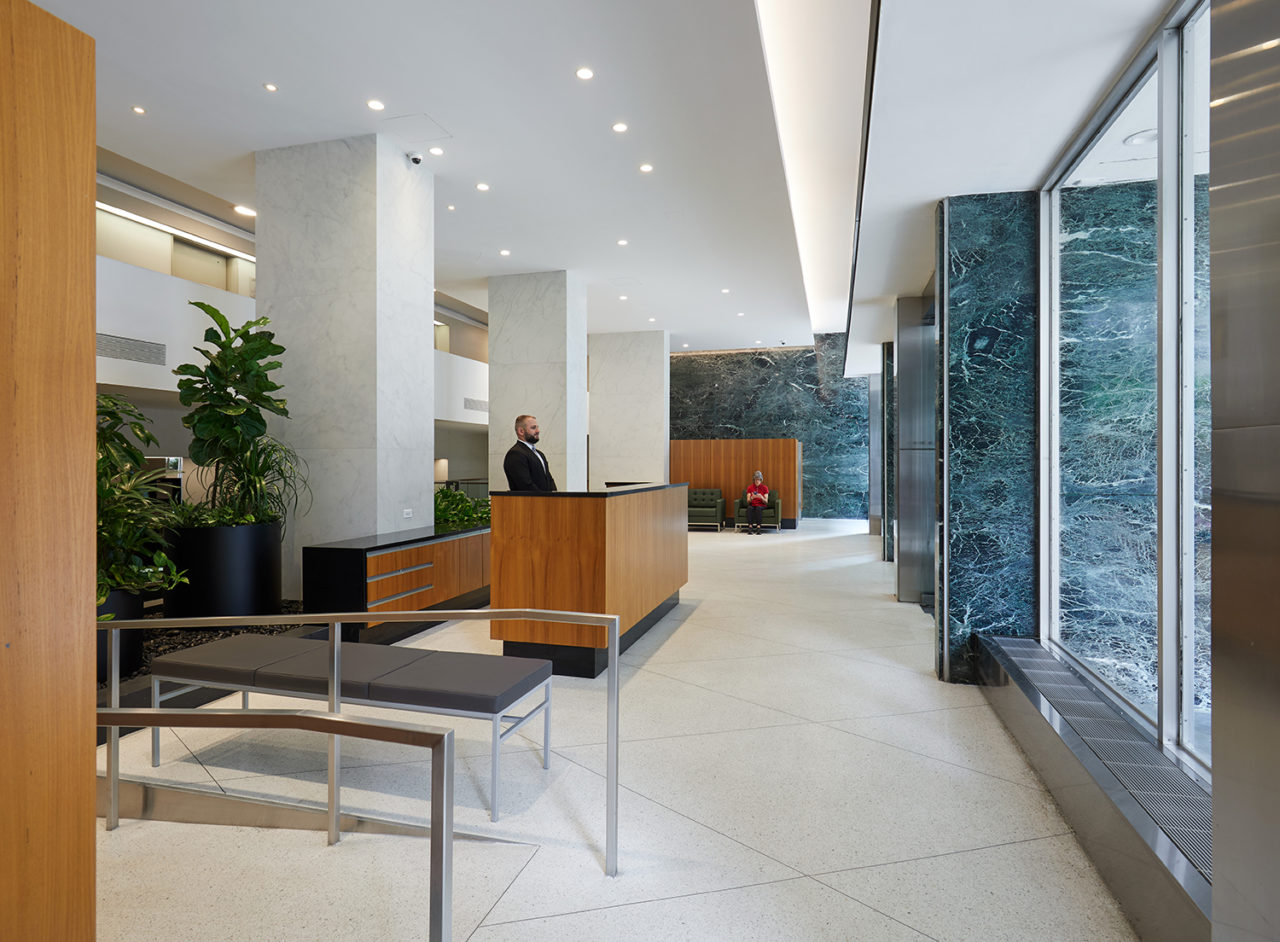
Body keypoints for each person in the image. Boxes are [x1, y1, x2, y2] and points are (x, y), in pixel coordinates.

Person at [503, 414, 557, 491]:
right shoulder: (515, 454)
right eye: (533, 428)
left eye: (537, 427)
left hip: (546, 501)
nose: (538, 431)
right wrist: (543, 500)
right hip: (529, 502)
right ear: (521, 431)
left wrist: (554, 497)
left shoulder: (540, 454)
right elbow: (525, 485)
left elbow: (549, 479)